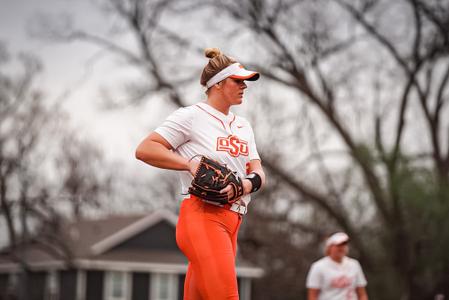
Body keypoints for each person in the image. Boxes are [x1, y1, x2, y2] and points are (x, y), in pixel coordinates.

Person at [135, 47, 266, 300]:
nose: (244, 87)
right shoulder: (191, 116)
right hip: (203, 216)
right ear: (218, 84)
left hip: (233, 221)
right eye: (238, 81)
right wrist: (189, 164)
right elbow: (145, 149)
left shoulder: (243, 125)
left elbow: (258, 169)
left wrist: (247, 184)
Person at [306, 232, 369, 300]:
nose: (342, 248)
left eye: (344, 245)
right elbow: (312, 296)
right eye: (338, 245)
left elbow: (362, 294)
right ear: (330, 247)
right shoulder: (318, 267)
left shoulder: (354, 264)